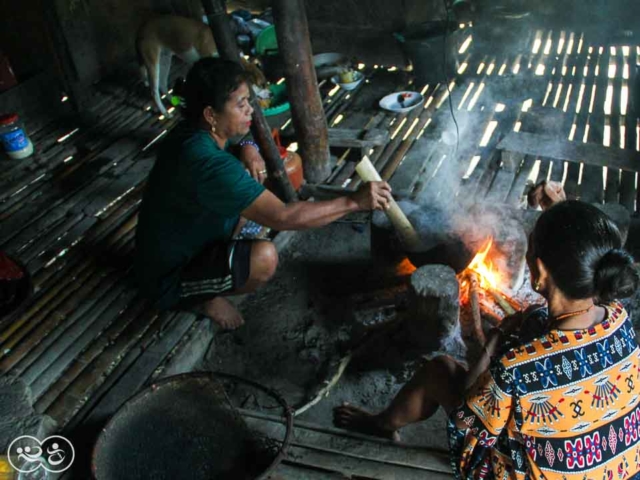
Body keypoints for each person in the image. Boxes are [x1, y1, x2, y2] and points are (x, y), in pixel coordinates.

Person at [334, 199, 640, 479]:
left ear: (540, 273)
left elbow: (468, 415)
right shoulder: (619, 319)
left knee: (440, 370)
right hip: (620, 471)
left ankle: (380, 424)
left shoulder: (516, 367)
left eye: (531, 251)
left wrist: (496, 337)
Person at [135, 58, 393, 330]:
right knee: (263, 259)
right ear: (211, 114)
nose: (250, 110)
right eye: (240, 104)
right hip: (168, 276)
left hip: (187, 235)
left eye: (249, 101)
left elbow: (247, 135)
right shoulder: (207, 163)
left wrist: (247, 145)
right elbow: (283, 217)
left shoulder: (193, 133)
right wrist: (353, 201)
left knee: (253, 192)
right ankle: (202, 298)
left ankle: (213, 268)